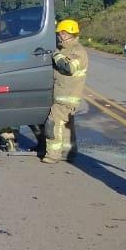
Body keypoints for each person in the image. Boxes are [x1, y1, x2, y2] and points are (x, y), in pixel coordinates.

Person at [42, 18, 88, 164]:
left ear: (70, 34)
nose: (59, 36)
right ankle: (68, 152)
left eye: (62, 33)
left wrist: (56, 55)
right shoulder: (66, 48)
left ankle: (52, 155)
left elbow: (69, 68)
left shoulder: (77, 51)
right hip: (65, 95)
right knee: (67, 127)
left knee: (53, 124)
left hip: (67, 96)